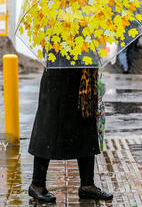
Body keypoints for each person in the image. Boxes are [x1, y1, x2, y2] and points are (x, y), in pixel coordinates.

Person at [28, 68, 113, 202]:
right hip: (57, 77)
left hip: (83, 80)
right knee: (48, 128)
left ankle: (87, 185)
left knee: (86, 128)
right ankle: (37, 184)